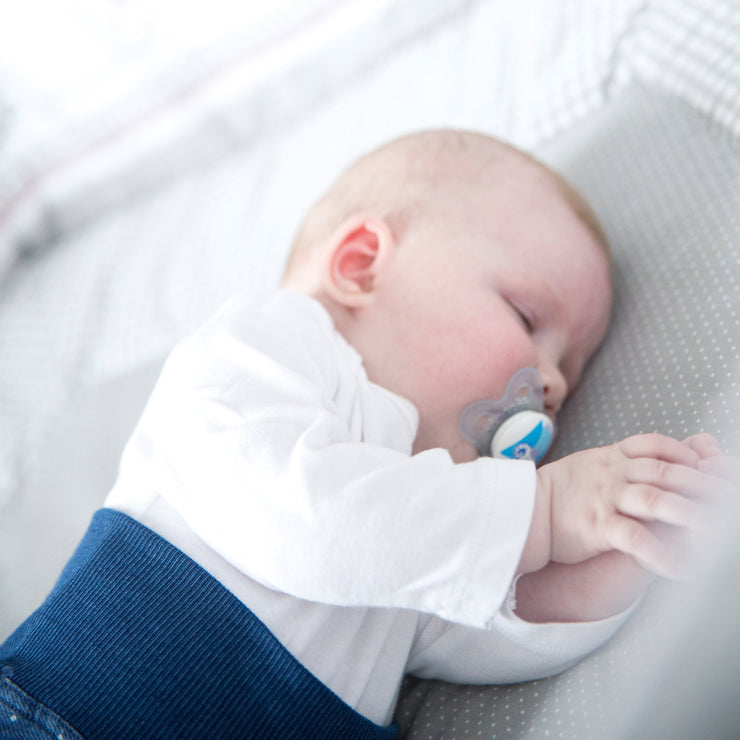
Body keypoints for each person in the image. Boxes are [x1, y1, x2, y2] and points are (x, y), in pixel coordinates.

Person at [1, 130, 734, 739]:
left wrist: (635, 535)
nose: (552, 384)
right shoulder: (259, 349)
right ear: (360, 266)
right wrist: (543, 512)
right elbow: (308, 523)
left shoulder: (425, 518)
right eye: (524, 317)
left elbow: (493, 624)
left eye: (571, 366)